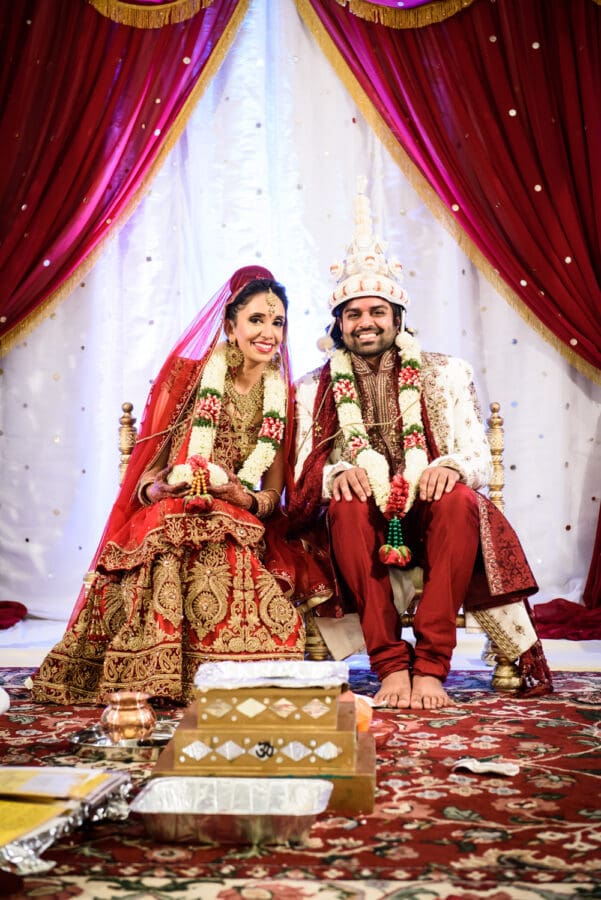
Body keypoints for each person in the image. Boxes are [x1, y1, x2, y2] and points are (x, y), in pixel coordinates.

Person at [288, 183, 552, 710]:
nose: (366, 323)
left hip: (431, 517)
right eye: (353, 314)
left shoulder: (446, 372)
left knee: (459, 501)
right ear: (338, 324)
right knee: (341, 501)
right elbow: (299, 468)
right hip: (360, 520)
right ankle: (389, 665)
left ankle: (431, 667)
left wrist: (451, 466)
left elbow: (478, 455)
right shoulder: (313, 387)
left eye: (376, 312)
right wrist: (333, 471)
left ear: (397, 318)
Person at [32, 266, 327, 705]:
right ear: (230, 324)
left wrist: (239, 495)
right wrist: (161, 489)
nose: (269, 333)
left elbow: (271, 497)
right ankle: (156, 671)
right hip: (175, 504)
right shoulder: (186, 379)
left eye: (278, 322)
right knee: (179, 521)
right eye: (257, 319)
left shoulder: (280, 396)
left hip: (242, 518)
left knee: (220, 527)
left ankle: (225, 674)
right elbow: (145, 477)